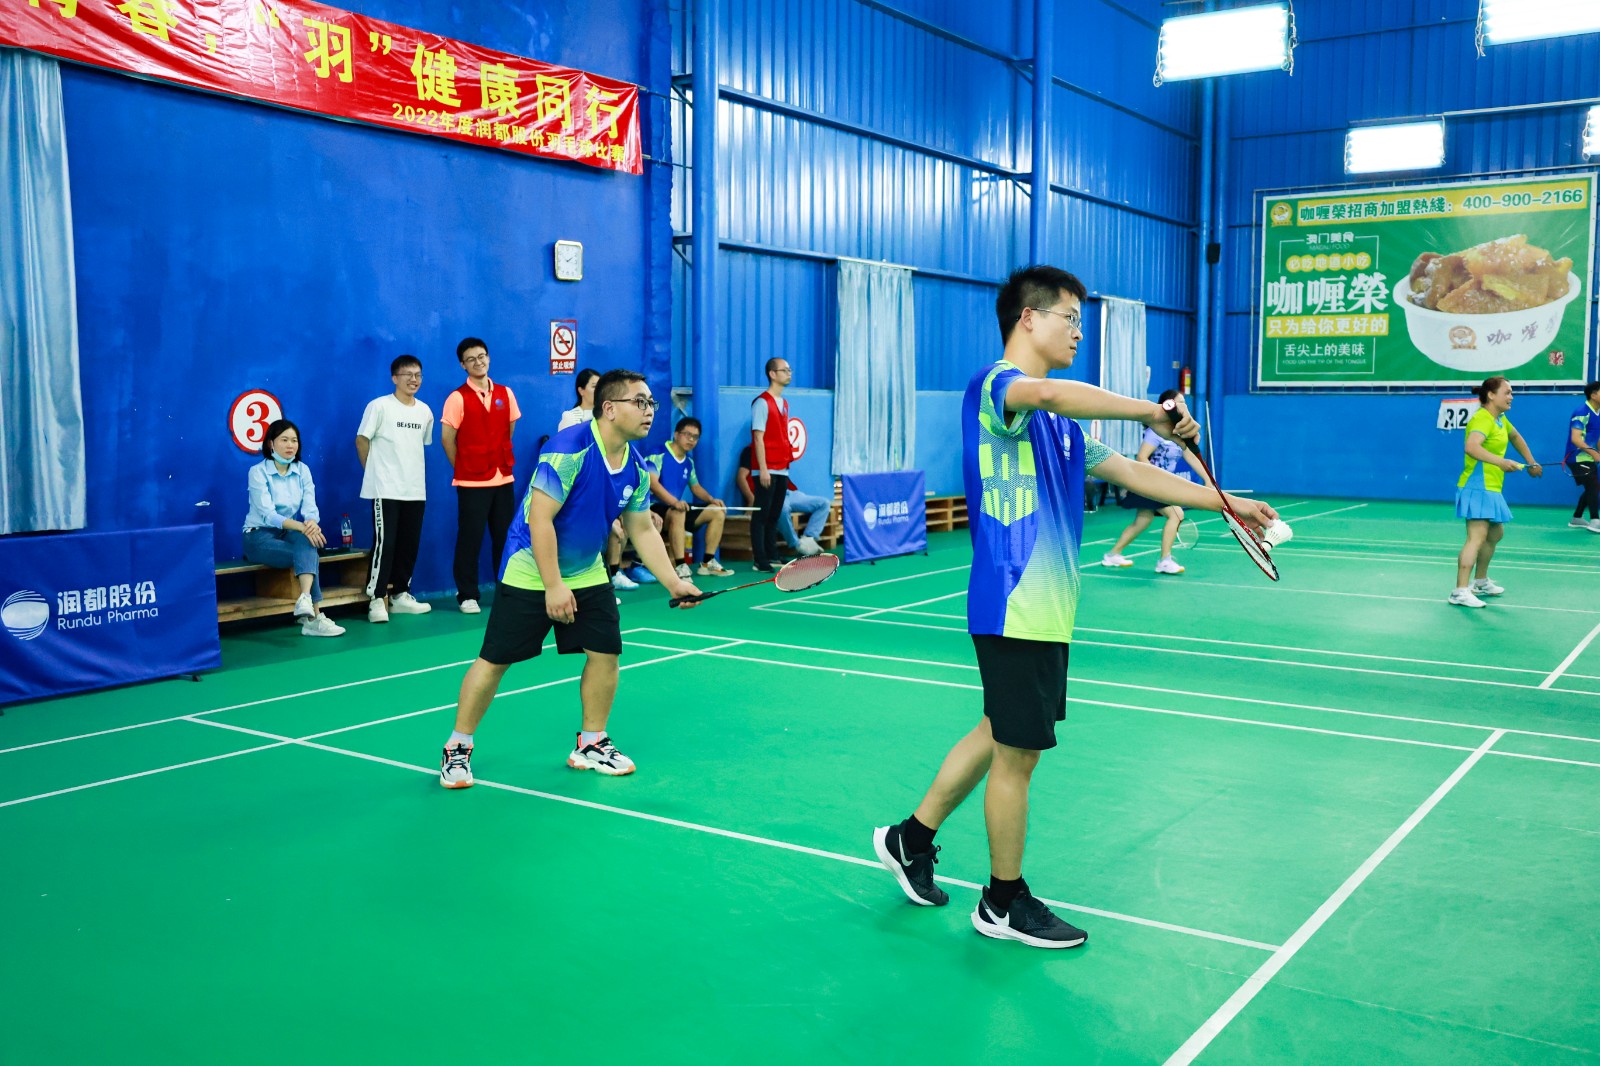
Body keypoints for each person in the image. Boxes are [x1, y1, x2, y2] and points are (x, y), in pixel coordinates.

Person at [871, 265, 1276, 949]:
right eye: (1071, 319)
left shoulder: (1062, 428)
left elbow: (1133, 472)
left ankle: (910, 839)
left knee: (999, 730)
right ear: (1028, 318)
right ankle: (1002, 902)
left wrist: (1229, 502)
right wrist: (1150, 411)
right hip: (1014, 600)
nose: (1079, 334)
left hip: (1048, 608)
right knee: (1018, 754)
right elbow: (1051, 390)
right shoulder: (997, 389)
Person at [438, 370, 701, 788]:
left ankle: (591, 742)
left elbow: (642, 528)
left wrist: (673, 582)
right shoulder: (568, 449)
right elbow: (540, 520)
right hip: (530, 568)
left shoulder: (635, 465)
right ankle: (458, 746)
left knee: (605, 652)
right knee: (495, 661)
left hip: (586, 570)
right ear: (609, 408)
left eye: (651, 402)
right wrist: (554, 586)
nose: (650, 410)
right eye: (640, 402)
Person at [242, 419, 346, 638]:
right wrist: (303, 527)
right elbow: (268, 515)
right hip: (258, 536)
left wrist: (311, 523)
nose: (290, 445)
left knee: (308, 542)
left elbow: (310, 507)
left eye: (294, 440)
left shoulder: (302, 470)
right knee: (308, 553)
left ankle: (305, 601)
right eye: (284, 440)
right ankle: (314, 618)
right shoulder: (257, 472)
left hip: (289, 532)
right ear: (271, 443)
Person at [441, 336, 520, 614]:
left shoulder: (506, 393)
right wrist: (464, 466)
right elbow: (447, 439)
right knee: (470, 539)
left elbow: (508, 429)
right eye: (471, 359)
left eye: (482, 356)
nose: (478, 362)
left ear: (489, 357)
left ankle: (507, 590)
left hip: (503, 478)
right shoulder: (457, 398)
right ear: (463, 365)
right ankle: (467, 595)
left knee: (505, 539)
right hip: (471, 481)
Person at [1451, 375, 1542, 608]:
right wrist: (1501, 462)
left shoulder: (1500, 419)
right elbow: (1471, 447)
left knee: (1494, 535)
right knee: (1476, 537)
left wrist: (1531, 462)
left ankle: (1480, 581)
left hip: (1492, 487)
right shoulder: (1483, 418)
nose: (1511, 397)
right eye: (1507, 392)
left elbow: (1515, 437)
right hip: (1477, 486)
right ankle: (1460, 591)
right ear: (1491, 395)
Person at [356, 355, 434, 623]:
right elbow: (361, 440)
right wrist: (374, 473)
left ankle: (401, 594)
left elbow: (420, 444)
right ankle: (377, 598)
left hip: (415, 489)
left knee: (409, 543)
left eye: (418, 375)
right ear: (394, 378)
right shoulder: (379, 406)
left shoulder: (425, 411)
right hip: (385, 488)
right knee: (385, 544)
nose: (414, 379)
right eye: (408, 375)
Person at [1100, 388, 1209, 575]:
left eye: (1184, 402)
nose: (1184, 406)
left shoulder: (1178, 433)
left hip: (1160, 484)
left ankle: (1112, 555)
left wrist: (1207, 479)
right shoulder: (1156, 431)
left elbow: (1191, 456)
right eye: (1180, 402)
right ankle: (1165, 560)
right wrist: (1157, 480)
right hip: (1149, 482)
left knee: (1143, 521)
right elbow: (1142, 456)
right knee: (1176, 514)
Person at [648, 417, 734, 577]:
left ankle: (708, 562)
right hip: (653, 509)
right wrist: (674, 502)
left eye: (695, 437)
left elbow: (695, 487)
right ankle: (680, 566)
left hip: (676, 508)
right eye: (687, 434)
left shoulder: (689, 462)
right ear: (676, 434)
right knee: (679, 512)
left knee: (717, 511)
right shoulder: (658, 453)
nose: (691, 440)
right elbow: (653, 483)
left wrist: (711, 500)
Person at [736, 443, 826, 557]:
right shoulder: (750, 451)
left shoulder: (779, 449)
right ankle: (796, 544)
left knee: (823, 503)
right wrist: (751, 499)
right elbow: (741, 477)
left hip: (789, 493)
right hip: (772, 496)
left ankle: (809, 538)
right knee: (781, 510)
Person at [750, 357, 794, 573]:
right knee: (762, 514)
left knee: (775, 514)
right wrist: (763, 469)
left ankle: (772, 554)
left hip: (782, 468)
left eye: (790, 370)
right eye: (785, 370)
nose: (789, 373)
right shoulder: (761, 403)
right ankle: (759, 559)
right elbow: (758, 438)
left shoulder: (784, 404)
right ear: (772, 374)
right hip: (766, 469)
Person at [1564, 380, 1600, 532]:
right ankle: (1595, 521)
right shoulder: (1582, 412)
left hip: (1588, 457)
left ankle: (1577, 518)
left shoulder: (1598, 413)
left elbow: (1598, 438)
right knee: (1593, 485)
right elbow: (1576, 438)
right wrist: (1594, 453)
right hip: (1576, 458)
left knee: (1593, 487)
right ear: (1593, 395)